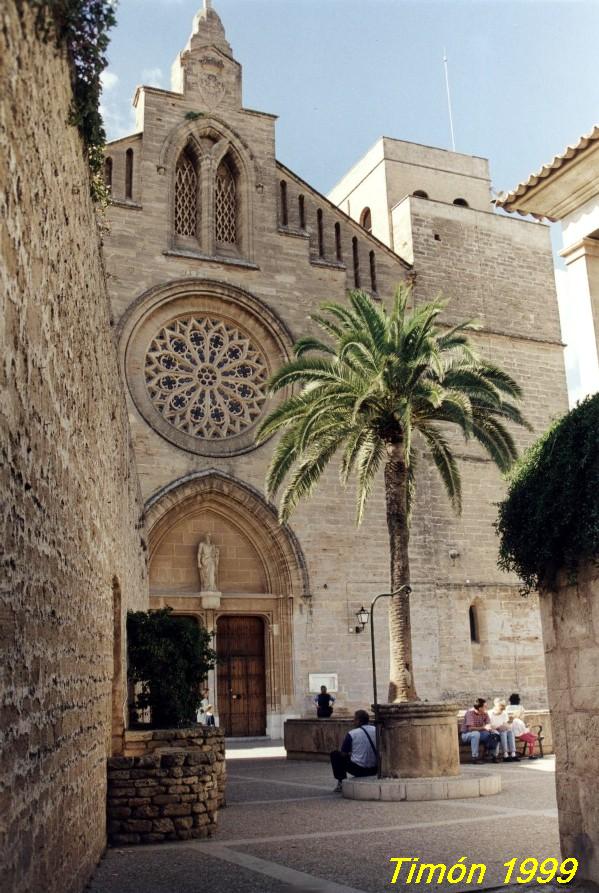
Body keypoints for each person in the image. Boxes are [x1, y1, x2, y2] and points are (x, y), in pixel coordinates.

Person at [330, 709, 378, 792]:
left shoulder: (352, 733)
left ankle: (341, 782)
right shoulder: (376, 730)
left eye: (354, 719)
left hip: (359, 770)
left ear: (359, 721)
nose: (353, 721)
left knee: (335, 754)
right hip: (375, 769)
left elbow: (344, 754)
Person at [461, 697, 500, 764]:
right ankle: (474, 757)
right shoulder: (470, 713)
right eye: (485, 707)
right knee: (476, 734)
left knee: (495, 734)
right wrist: (484, 728)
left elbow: (488, 723)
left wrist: (490, 728)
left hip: (480, 733)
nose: (486, 708)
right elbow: (470, 728)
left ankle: (493, 755)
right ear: (479, 708)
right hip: (466, 734)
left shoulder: (484, 713)